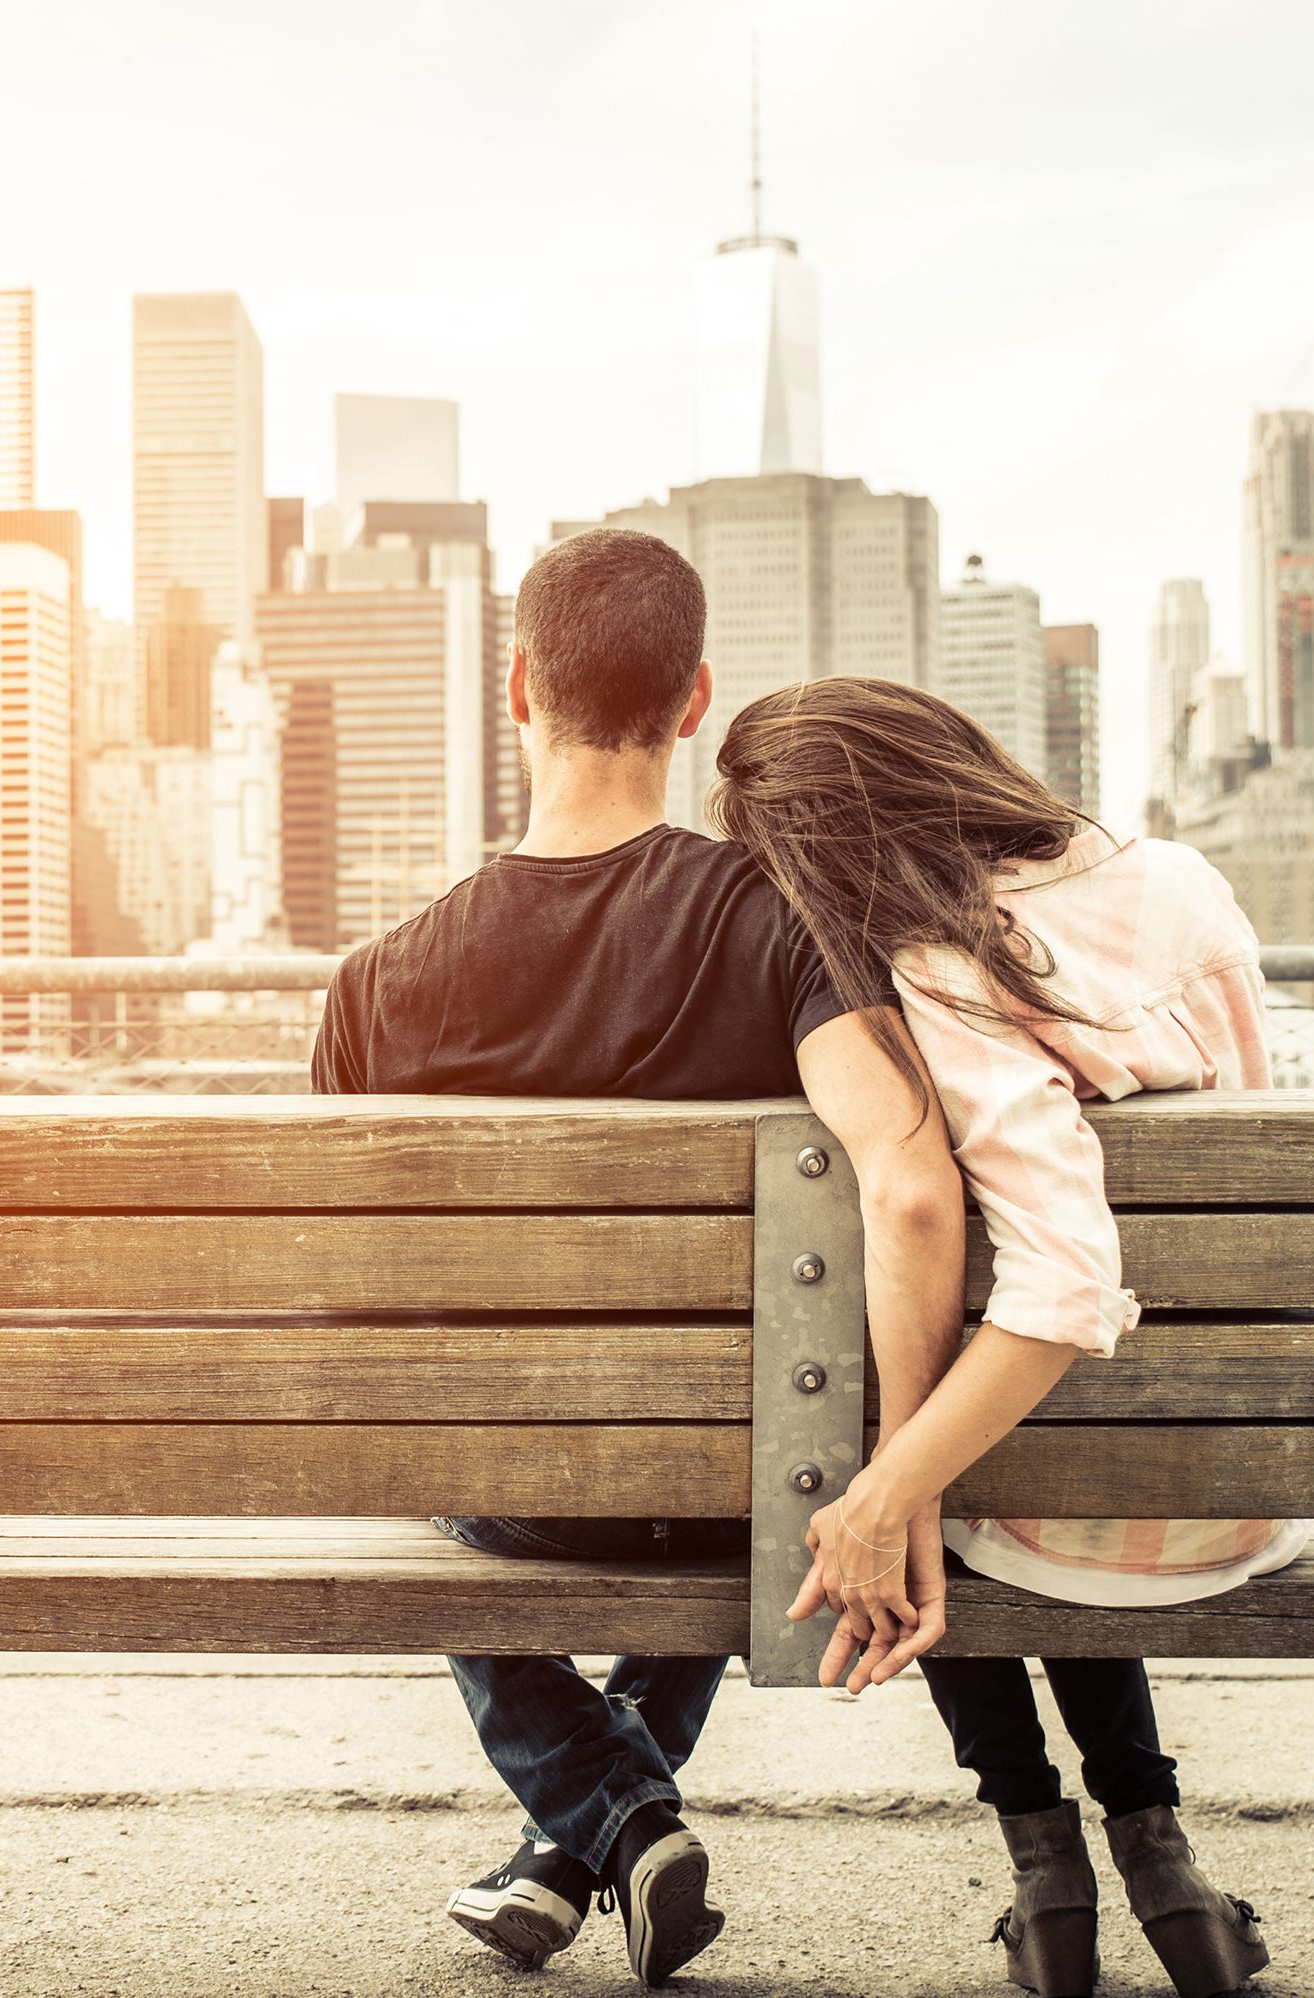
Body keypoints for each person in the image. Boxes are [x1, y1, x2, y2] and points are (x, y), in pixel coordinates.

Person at [309, 529, 968, 1986]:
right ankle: (605, 1826)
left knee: (445, 1453)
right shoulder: (779, 922)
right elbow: (914, 1193)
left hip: (515, 1503)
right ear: (693, 703)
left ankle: (600, 1822)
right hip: (730, 1486)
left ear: (515, 688)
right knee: (734, 1435)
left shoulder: (370, 988)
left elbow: (356, 1327)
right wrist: (900, 1473)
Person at [710, 675, 1295, 1998]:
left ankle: (1048, 1868)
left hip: (1096, 1500)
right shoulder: (1183, 878)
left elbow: (1067, 1279)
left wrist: (886, 1486)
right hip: (1239, 1473)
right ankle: (1158, 1853)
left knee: (919, 1494)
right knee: (1001, 1465)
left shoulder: (950, 962)